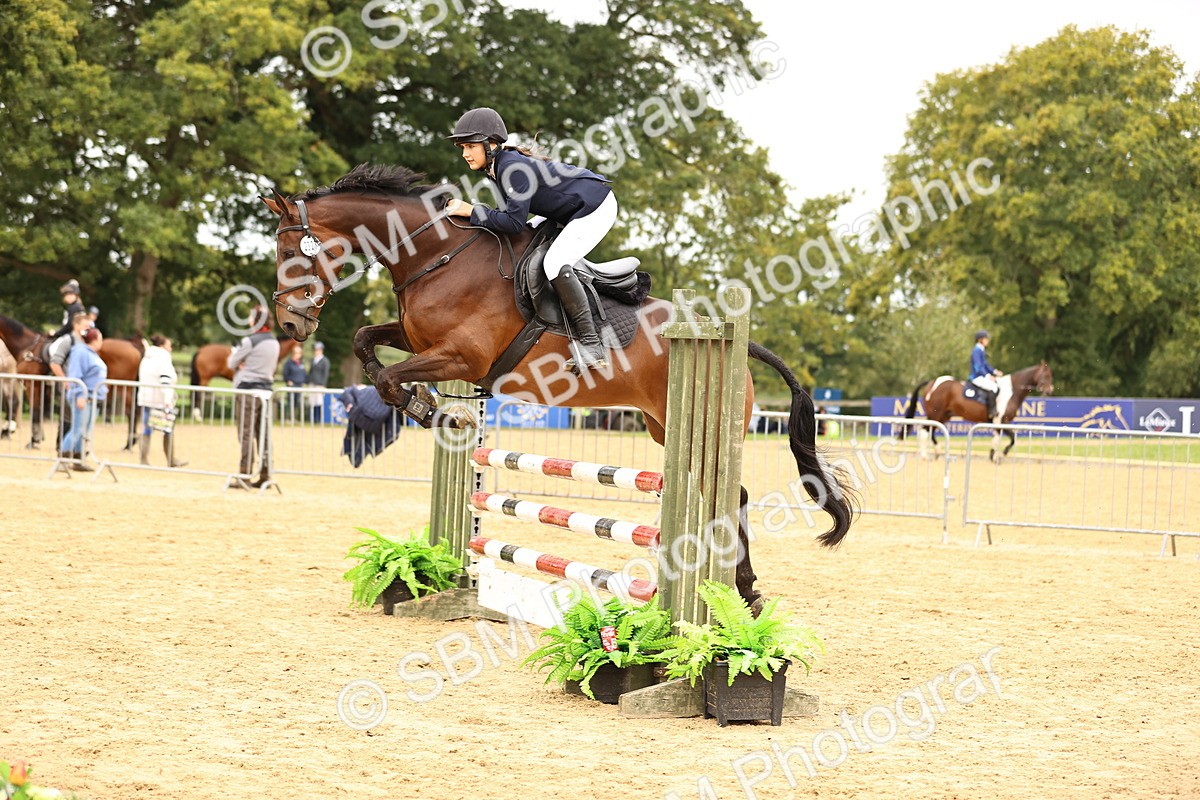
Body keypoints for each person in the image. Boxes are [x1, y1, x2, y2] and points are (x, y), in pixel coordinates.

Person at [445, 107, 614, 372]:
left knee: (554, 263)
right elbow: (516, 220)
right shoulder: (498, 167)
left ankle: (592, 345)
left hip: (594, 206)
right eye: (462, 147)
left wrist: (472, 210)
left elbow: (512, 223)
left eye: (469, 146)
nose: (465, 153)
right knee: (529, 240)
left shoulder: (510, 167)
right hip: (567, 210)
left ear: (490, 145)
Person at [227, 308, 280, 489]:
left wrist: (244, 363)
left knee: (246, 433)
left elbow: (231, 363)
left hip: (248, 391)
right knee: (264, 434)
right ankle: (265, 473)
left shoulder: (249, 341)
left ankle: (245, 474)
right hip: (266, 392)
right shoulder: (274, 342)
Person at [61, 327, 107, 471]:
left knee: (84, 430)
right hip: (83, 397)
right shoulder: (80, 352)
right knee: (77, 429)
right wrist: (80, 394)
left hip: (93, 397)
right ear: (95, 339)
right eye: (100, 338)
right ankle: (62, 459)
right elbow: (76, 374)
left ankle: (78, 459)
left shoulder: (91, 354)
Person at [137, 334, 187, 468]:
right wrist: (167, 399)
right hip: (160, 400)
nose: (170, 349)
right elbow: (165, 379)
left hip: (146, 398)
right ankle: (171, 459)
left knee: (147, 430)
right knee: (167, 429)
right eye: (169, 346)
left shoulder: (147, 357)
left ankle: (143, 459)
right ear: (162, 346)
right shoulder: (163, 358)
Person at [47, 312, 93, 450]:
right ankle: (62, 449)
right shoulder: (68, 341)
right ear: (76, 325)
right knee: (67, 419)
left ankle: (76, 452)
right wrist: (65, 381)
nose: (87, 329)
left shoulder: (87, 342)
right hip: (70, 387)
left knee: (80, 422)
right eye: (85, 326)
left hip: (82, 388)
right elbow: (55, 363)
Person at [969, 330, 1004, 419]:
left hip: (981, 375)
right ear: (980, 340)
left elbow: (986, 366)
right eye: (986, 339)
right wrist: (988, 376)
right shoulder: (977, 351)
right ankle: (991, 411)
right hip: (976, 377)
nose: (987, 340)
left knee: (997, 385)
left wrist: (995, 372)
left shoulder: (981, 350)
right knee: (993, 387)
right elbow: (978, 367)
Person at [307, 341, 330, 422]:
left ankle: (318, 419)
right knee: (312, 401)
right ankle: (311, 418)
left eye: (317, 350)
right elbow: (311, 371)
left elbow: (325, 373)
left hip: (319, 384)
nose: (315, 351)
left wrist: (323, 384)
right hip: (312, 383)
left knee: (319, 401)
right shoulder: (313, 359)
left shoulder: (325, 361)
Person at [282, 345, 306, 418]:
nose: (298, 354)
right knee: (290, 402)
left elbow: (304, 374)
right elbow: (285, 373)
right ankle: (287, 418)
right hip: (292, 386)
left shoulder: (301, 363)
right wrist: (288, 381)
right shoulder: (288, 363)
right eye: (297, 353)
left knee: (297, 403)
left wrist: (303, 381)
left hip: (299, 386)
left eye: (299, 353)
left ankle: (295, 418)